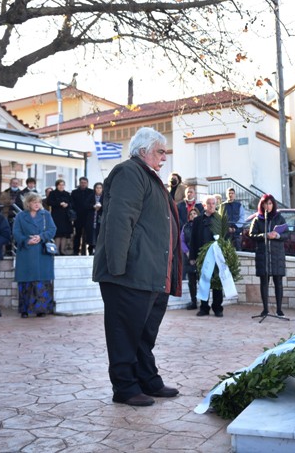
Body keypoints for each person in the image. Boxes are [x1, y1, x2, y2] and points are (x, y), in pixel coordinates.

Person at [93, 126, 183, 407]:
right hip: (128, 274)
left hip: (151, 275)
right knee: (124, 333)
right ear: (143, 151)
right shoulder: (129, 172)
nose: (164, 158)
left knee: (144, 334)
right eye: (160, 151)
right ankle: (125, 387)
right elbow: (121, 221)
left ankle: (147, 379)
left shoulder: (150, 177)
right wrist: (118, 269)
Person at [12, 192, 57, 318]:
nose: (37, 204)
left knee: (42, 280)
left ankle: (41, 309)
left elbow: (52, 229)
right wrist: (26, 240)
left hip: (42, 252)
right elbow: (16, 232)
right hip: (26, 252)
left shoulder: (45, 215)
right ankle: (24, 309)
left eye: (39, 202)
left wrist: (41, 237)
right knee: (26, 281)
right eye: (34, 202)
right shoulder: (21, 216)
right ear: (28, 203)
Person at [248, 193, 289, 317]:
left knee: (278, 282)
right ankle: (265, 309)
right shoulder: (258, 219)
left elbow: (287, 234)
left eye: (270, 203)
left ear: (273, 205)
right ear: (262, 205)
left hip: (277, 255)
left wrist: (277, 235)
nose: (268, 206)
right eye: (266, 203)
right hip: (263, 255)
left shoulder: (279, 218)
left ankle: (279, 309)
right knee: (264, 282)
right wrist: (265, 235)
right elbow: (251, 234)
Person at [191, 196, 224, 317]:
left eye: (213, 203)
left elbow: (226, 239)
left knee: (217, 283)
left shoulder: (220, 219)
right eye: (208, 203)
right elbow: (193, 239)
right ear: (204, 206)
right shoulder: (198, 220)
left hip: (216, 257)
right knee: (203, 282)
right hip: (202, 256)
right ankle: (204, 308)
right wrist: (192, 257)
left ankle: (217, 308)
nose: (211, 205)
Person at [181, 207, 200, 310]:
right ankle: (194, 301)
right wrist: (188, 252)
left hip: (200, 256)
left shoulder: (201, 225)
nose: (193, 215)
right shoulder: (185, 226)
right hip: (189, 257)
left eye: (194, 213)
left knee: (202, 280)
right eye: (191, 214)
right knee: (191, 281)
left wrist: (198, 255)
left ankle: (204, 302)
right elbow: (182, 240)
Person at [47, 179, 73, 255]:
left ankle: (63, 250)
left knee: (64, 234)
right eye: (60, 185)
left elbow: (71, 203)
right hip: (56, 216)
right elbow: (49, 202)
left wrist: (67, 204)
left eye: (63, 185)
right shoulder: (53, 193)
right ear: (57, 185)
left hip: (65, 216)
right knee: (58, 233)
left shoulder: (67, 194)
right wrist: (59, 203)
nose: (61, 186)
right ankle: (56, 249)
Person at [71, 177, 96, 255]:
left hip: (89, 216)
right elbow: (72, 203)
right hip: (78, 217)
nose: (83, 184)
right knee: (78, 234)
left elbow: (93, 202)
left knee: (89, 234)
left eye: (85, 183)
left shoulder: (91, 192)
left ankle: (90, 250)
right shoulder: (74, 192)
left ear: (87, 183)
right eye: (82, 182)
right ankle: (76, 251)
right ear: (79, 183)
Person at [91, 182, 104, 254]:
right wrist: (93, 206)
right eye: (97, 188)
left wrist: (101, 207)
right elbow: (86, 205)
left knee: (100, 233)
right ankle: (93, 248)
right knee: (93, 234)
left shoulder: (105, 197)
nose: (98, 189)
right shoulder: (91, 196)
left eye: (100, 188)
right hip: (92, 219)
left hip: (101, 218)